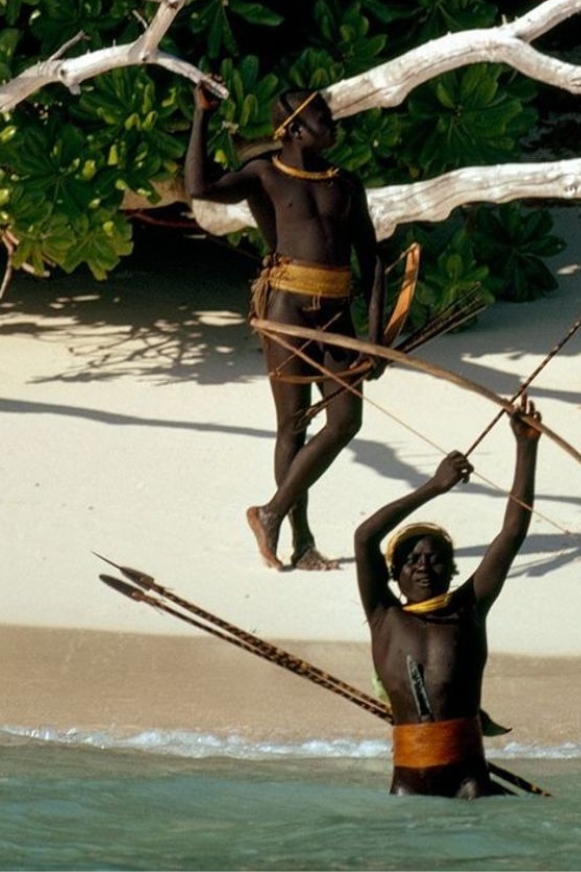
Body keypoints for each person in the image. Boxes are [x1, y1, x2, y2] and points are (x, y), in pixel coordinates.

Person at [187, 83, 386, 571]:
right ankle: (299, 539)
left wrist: (377, 338)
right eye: (322, 116)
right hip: (286, 311)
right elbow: (199, 187)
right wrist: (201, 117)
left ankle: (271, 513)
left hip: (337, 312)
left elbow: (373, 261)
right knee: (293, 426)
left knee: (345, 421)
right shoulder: (265, 175)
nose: (332, 121)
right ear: (294, 129)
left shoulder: (346, 184)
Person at [353, 397, 540, 798]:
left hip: (471, 783)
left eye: (435, 559)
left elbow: (512, 533)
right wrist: (435, 486)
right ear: (394, 573)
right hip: (406, 785)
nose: (422, 566)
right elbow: (364, 537)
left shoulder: (469, 607)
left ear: (452, 571)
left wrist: (526, 447)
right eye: (411, 560)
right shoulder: (383, 616)